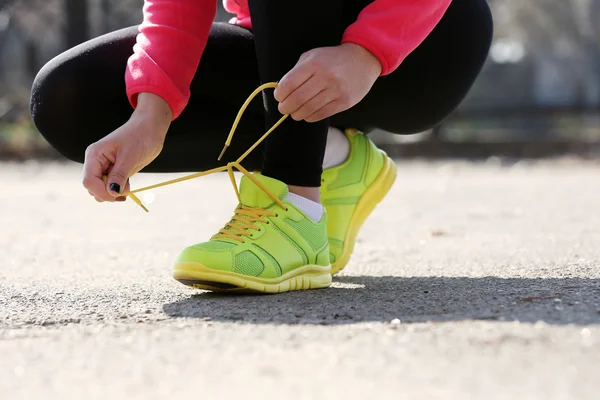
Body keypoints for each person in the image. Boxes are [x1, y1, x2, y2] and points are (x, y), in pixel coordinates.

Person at [30, 0, 493, 293]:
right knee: (68, 99)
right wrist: (151, 113)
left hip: (423, 40)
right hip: (284, 48)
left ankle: (296, 207)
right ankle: (336, 160)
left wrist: (366, 52)